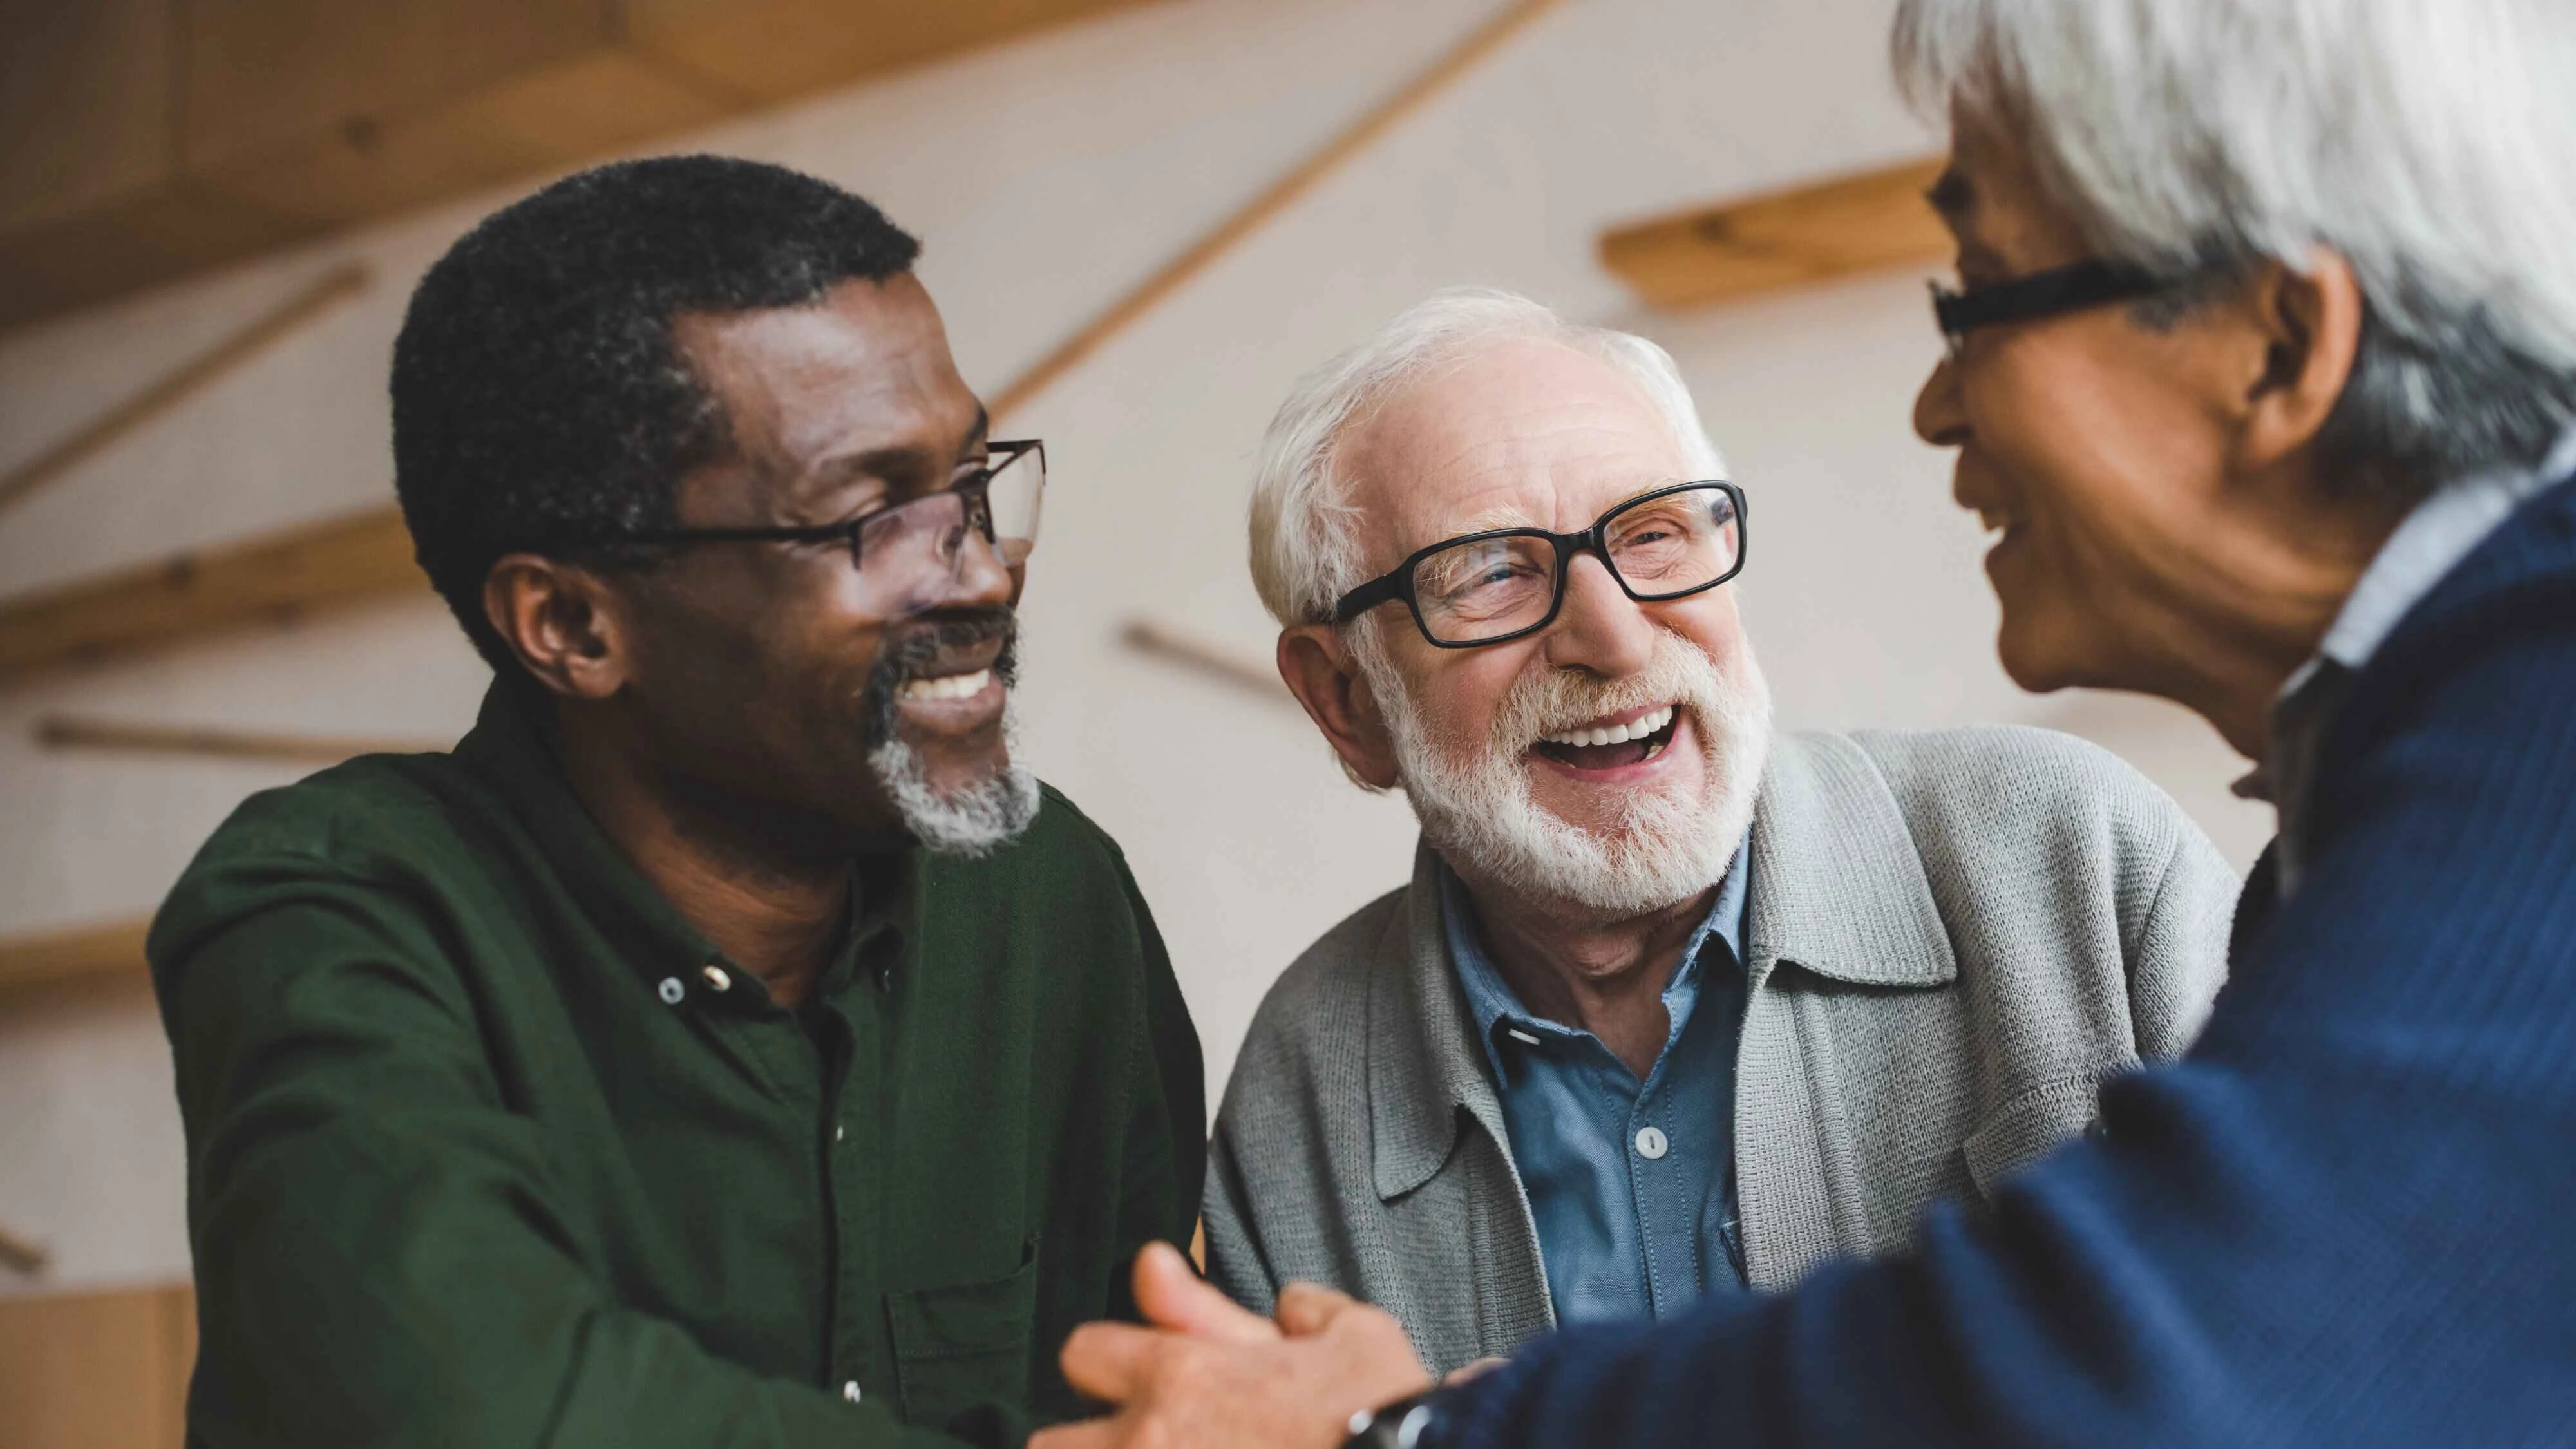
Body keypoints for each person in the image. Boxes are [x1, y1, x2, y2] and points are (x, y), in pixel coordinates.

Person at [1030, 0, 2576, 1444]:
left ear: (2277, 350)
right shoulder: (2425, 749)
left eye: (1976, 301)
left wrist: (1417, 1428)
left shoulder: (2515, 741)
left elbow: (2205, 1350)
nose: (1934, 406)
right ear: (1342, 703)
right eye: (1490, 575)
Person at [149, 156, 1203, 1449]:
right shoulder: (333, 903)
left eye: (974, 481)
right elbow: (463, 1414)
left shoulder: (1047, 895)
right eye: (870, 517)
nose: (979, 569)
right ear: (574, 624)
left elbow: (1154, 1388)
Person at [1197, 289, 2236, 1376]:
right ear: (1346, 701)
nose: (1613, 633)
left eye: (1652, 534)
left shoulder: (2075, 859)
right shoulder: (1305, 1082)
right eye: (1492, 573)